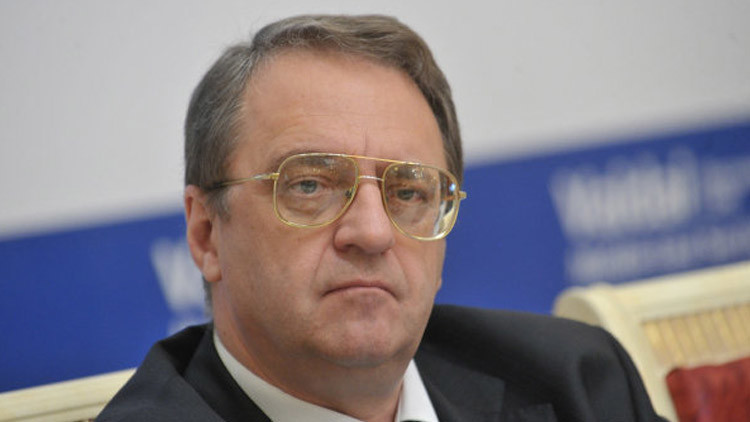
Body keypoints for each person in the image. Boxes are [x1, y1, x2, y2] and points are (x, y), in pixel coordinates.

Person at [98, 14, 666, 422]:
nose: (372, 233)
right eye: (310, 185)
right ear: (206, 235)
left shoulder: (577, 383)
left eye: (408, 191)